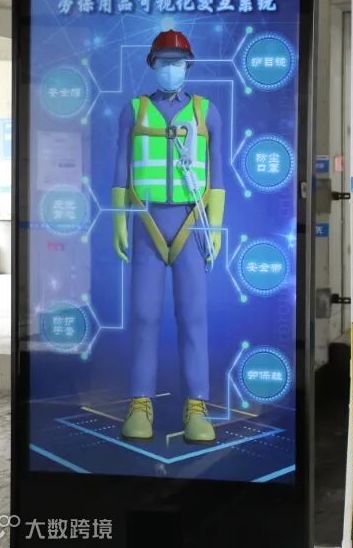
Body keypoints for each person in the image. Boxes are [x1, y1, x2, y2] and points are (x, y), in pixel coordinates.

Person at [111, 29, 226, 443]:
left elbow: (218, 173)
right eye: (163, 61)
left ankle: (197, 405)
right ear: (152, 64)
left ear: (188, 65)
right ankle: (139, 403)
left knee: (193, 316)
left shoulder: (206, 112)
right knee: (143, 315)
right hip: (146, 224)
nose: (170, 68)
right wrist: (119, 221)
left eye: (177, 62)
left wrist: (215, 224)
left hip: (191, 225)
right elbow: (121, 169)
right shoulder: (134, 111)